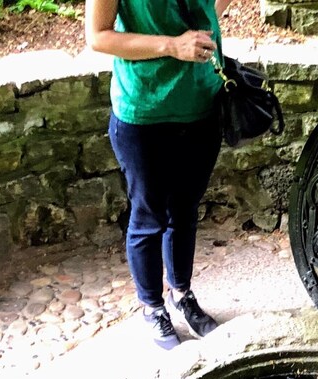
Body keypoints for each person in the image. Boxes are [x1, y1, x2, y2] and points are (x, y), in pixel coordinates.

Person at [85, 0, 232, 349]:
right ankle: (152, 306)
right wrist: (172, 45)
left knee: (185, 211)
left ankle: (182, 293)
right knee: (149, 215)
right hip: (144, 113)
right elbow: (98, 36)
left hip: (203, 104)